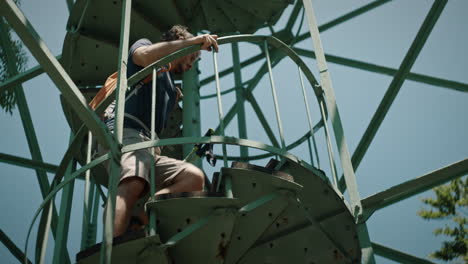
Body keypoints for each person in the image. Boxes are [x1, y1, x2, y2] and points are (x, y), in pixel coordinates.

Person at [103, 25, 219, 237]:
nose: (191, 64)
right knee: (133, 181)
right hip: (126, 132)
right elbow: (142, 56)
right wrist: (194, 42)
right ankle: (112, 247)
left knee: (193, 179)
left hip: (149, 145)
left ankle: (140, 218)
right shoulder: (147, 46)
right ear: (178, 41)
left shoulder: (169, 86)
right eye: (191, 57)